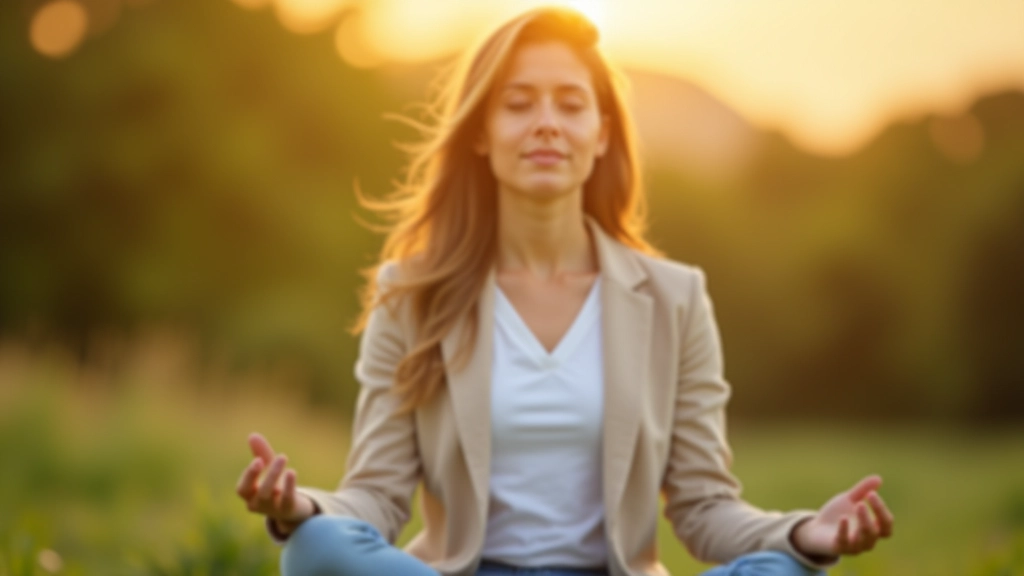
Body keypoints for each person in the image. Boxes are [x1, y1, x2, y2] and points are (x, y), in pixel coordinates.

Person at [235, 7, 894, 576]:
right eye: (518, 104)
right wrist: (303, 509)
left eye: (570, 104)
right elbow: (375, 498)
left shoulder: (675, 298)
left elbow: (703, 507)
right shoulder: (411, 294)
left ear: (601, 133)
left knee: (784, 571)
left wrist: (807, 535)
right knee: (317, 548)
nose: (546, 122)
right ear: (482, 136)